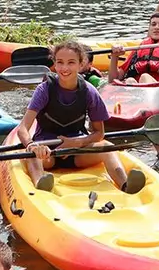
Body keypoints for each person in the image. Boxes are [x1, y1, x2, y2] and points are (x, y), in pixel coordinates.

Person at [17, 41, 146, 194]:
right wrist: (32, 146)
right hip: (48, 152)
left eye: (71, 63)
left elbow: (99, 133)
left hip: (77, 152)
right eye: (60, 62)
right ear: (55, 64)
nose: (64, 68)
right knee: (33, 155)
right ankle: (40, 182)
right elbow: (23, 129)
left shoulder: (89, 91)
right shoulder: (44, 90)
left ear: (81, 64)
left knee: (108, 147)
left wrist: (78, 142)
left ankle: (125, 184)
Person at [108, 11, 159, 88]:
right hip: (135, 90)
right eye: (153, 24)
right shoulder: (139, 49)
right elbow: (113, 80)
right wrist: (114, 57)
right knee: (129, 80)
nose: (156, 27)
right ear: (149, 28)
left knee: (145, 77)